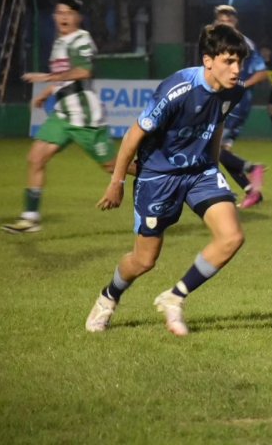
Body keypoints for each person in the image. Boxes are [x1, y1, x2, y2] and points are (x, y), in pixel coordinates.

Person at [85, 23, 249, 336]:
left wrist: (214, 172)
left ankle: (174, 297)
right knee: (144, 260)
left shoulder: (234, 92)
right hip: (158, 178)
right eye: (229, 61)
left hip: (199, 171)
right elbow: (134, 134)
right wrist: (117, 182)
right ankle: (108, 298)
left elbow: (214, 126)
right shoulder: (179, 89)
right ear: (208, 60)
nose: (236, 69)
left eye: (239, 61)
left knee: (232, 237)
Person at [2, 0, 133, 235]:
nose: (63, 17)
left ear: (78, 18)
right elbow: (67, 76)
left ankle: (165, 175)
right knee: (35, 158)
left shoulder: (81, 39)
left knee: (114, 167)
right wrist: (48, 92)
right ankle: (31, 217)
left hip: (85, 118)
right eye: (60, 12)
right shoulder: (59, 43)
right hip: (62, 115)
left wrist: (46, 79)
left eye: (69, 13)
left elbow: (84, 71)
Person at [213, 5, 269, 208]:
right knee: (220, 151)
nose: (225, 21)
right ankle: (251, 191)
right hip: (220, 100)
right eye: (221, 18)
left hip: (235, 103)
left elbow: (262, 73)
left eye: (229, 18)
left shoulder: (244, 43)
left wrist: (242, 85)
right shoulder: (216, 43)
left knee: (211, 148)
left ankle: (250, 168)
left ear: (235, 22)